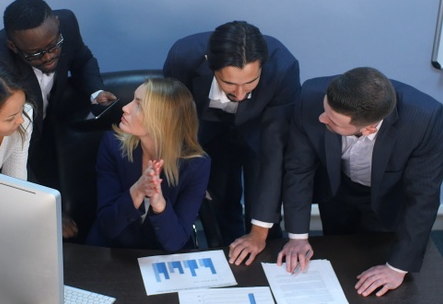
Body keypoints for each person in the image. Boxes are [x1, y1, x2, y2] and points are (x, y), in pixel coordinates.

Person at [277, 67, 443, 297]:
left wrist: (397, 268)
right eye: (326, 109)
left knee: (373, 266)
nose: (321, 118)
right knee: (336, 255)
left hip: (387, 196)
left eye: (332, 121)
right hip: (336, 188)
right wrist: (297, 238)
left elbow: (423, 198)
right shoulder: (311, 95)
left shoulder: (425, 119)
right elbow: (299, 169)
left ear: (369, 129)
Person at [0, 0, 116, 240]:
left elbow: (82, 58)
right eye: (36, 54)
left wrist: (96, 91)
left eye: (54, 46)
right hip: (17, 141)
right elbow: (9, 152)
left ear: (57, 24)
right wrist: (47, 210)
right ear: (13, 47)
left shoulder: (67, 23)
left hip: (54, 120)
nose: (49, 57)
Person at [163, 21, 301, 262]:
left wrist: (258, 233)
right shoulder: (182, 57)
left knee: (264, 209)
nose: (239, 94)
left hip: (260, 130)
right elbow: (173, 121)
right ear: (210, 64)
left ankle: (265, 258)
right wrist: (188, 168)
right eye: (229, 84)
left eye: (249, 83)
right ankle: (230, 257)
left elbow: (274, 151)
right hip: (206, 130)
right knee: (220, 201)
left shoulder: (283, 67)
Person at [86, 78, 211, 252]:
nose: (125, 108)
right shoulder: (113, 145)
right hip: (111, 252)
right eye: (132, 100)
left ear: (162, 120)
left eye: (139, 105)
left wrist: (160, 205)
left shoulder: (196, 165)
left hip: (160, 255)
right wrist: (137, 191)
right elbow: (108, 226)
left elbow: (176, 242)